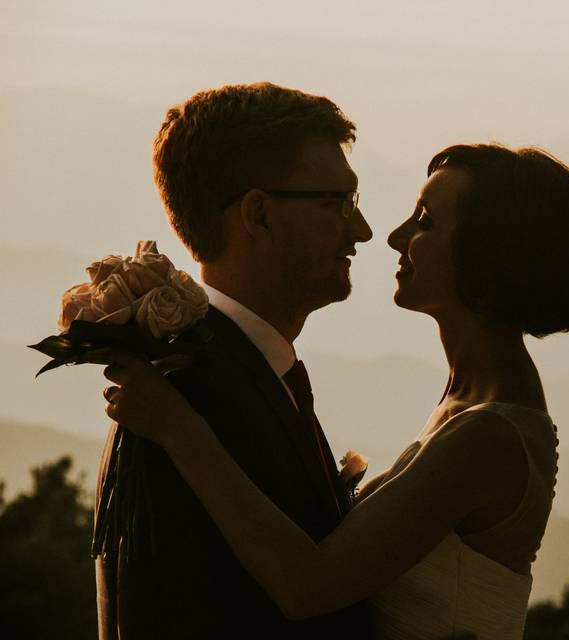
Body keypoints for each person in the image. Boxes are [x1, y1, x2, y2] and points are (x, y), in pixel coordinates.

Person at [102, 143, 569, 639]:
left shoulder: (489, 435)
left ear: (487, 257)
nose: (393, 237)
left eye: (424, 222)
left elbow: (309, 585)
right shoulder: (472, 403)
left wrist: (180, 429)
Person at [93, 82, 376, 639]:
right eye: (336, 203)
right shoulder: (181, 394)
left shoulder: (242, 372)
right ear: (258, 214)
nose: (361, 230)